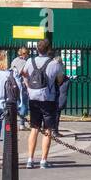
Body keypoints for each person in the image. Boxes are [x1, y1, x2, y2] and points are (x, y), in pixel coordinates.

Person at [23, 38, 64, 169]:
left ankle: (30, 159)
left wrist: (28, 86)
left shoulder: (30, 61)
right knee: (48, 130)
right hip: (48, 99)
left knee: (34, 129)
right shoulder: (54, 64)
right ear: (48, 49)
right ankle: (43, 160)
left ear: (37, 49)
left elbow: (24, 74)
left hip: (33, 97)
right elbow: (60, 80)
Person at [10, 46, 31, 129]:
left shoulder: (14, 60)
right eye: (24, 53)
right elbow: (24, 73)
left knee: (18, 103)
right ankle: (22, 124)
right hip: (22, 86)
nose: (26, 55)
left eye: (27, 53)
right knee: (23, 103)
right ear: (20, 53)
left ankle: (18, 122)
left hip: (14, 85)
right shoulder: (23, 62)